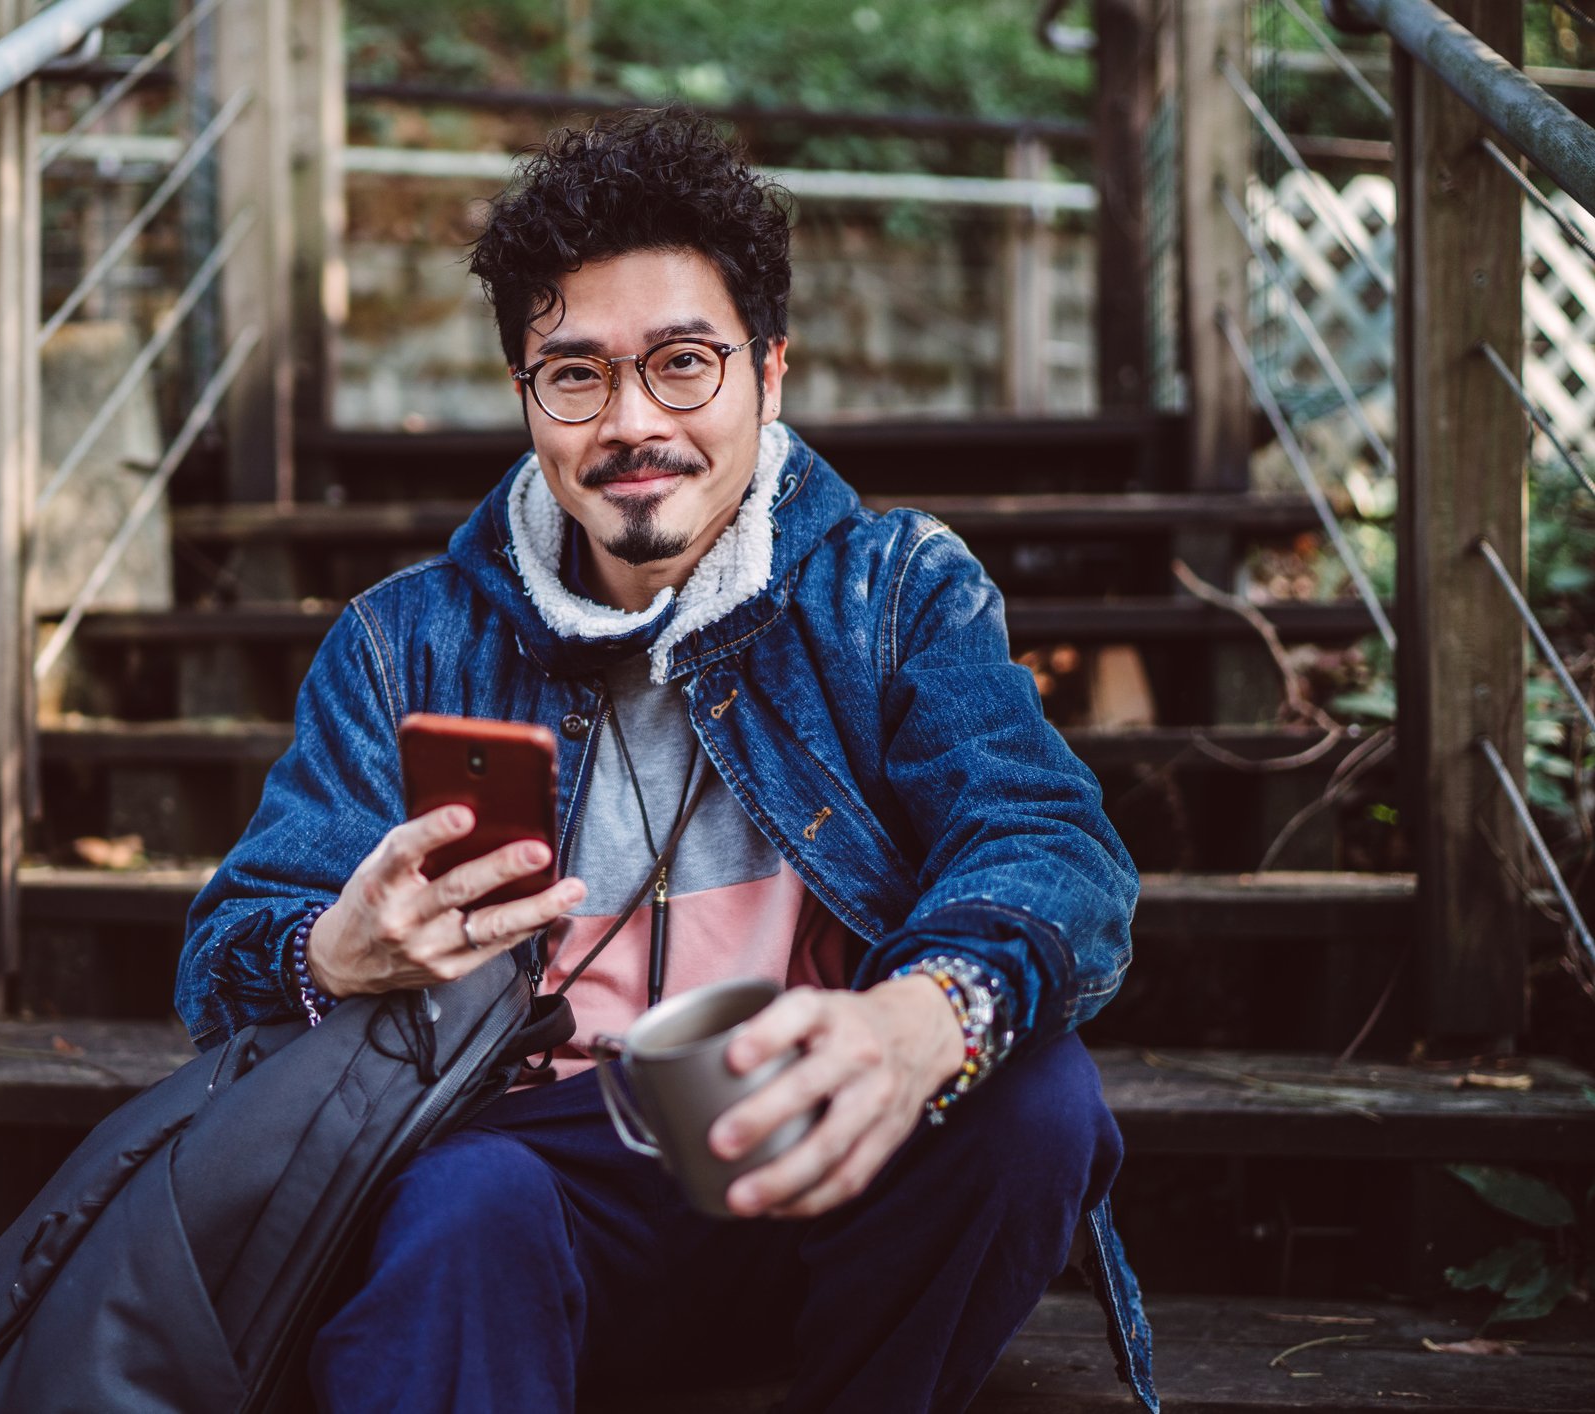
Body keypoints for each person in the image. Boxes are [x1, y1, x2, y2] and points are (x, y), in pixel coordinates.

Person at [177, 109, 1157, 1414]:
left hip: (820, 1142)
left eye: (684, 363)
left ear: (771, 372)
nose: (633, 422)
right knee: (465, 1198)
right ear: (525, 395)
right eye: (575, 375)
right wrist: (334, 953)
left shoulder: (894, 591)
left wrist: (920, 1017)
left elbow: (1052, 844)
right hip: (532, 1179)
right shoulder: (400, 643)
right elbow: (223, 958)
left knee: (1035, 1098)